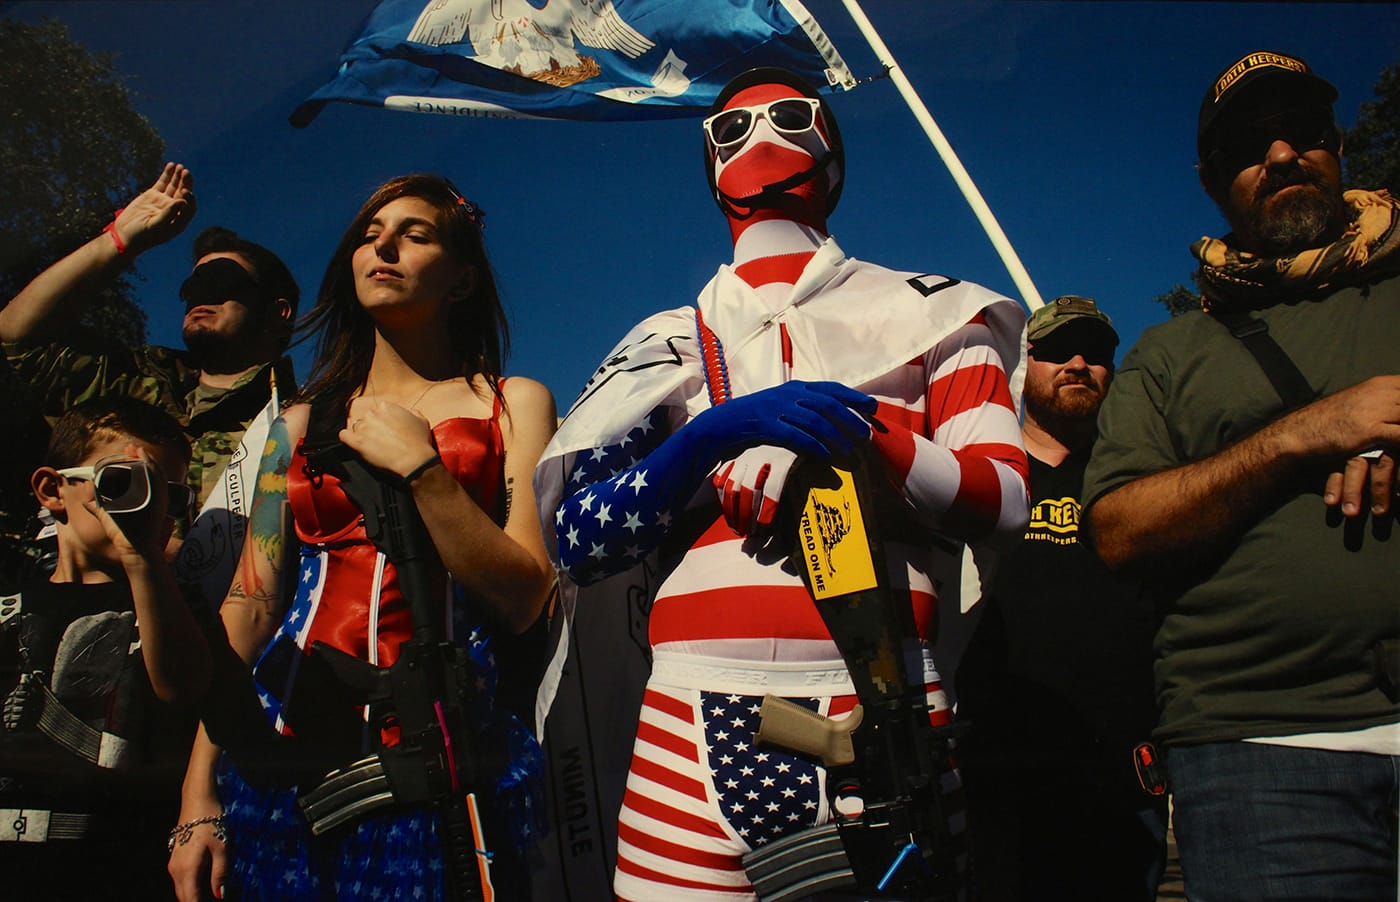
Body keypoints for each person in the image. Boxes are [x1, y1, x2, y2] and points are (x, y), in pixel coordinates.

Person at [534, 68, 1029, 900]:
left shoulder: (941, 312)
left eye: (792, 116)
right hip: (691, 714)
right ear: (708, 166)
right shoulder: (666, 341)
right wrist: (701, 442)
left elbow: (1002, 499)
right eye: (730, 129)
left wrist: (860, 436)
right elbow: (577, 539)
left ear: (830, 148)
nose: (761, 138)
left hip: (884, 701)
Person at [165, 174, 558, 902]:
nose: (383, 243)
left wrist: (424, 470)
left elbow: (526, 593)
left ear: (463, 277)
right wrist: (198, 799)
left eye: (416, 233)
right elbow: (250, 607)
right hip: (279, 768)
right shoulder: (297, 426)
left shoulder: (514, 404)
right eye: (370, 233)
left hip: (439, 763)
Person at [1083, 51, 1400, 899]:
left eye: (1304, 134)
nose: (1284, 155)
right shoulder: (1170, 353)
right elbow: (1117, 529)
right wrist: (1306, 433)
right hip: (1265, 755)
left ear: (1338, 147)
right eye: (1251, 147)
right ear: (1216, 182)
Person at [0, 163, 299, 606]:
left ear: (279, 312)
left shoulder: (302, 424)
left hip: (233, 649)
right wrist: (120, 241)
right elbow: (17, 337)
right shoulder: (131, 386)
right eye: (192, 285)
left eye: (221, 282)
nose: (200, 295)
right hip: (96, 631)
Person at [954, 296, 1167, 901]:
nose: (1078, 363)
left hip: (1119, 779)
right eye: (1055, 351)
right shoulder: (976, 478)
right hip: (988, 774)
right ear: (1025, 366)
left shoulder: (1140, 482)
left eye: (1096, 353)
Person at [0, 397, 217, 900]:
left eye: (172, 497)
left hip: (116, 865)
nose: (150, 506)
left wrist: (143, 560)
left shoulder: (176, 607)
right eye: (121, 483)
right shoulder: (10, 605)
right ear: (53, 489)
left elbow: (184, 688)